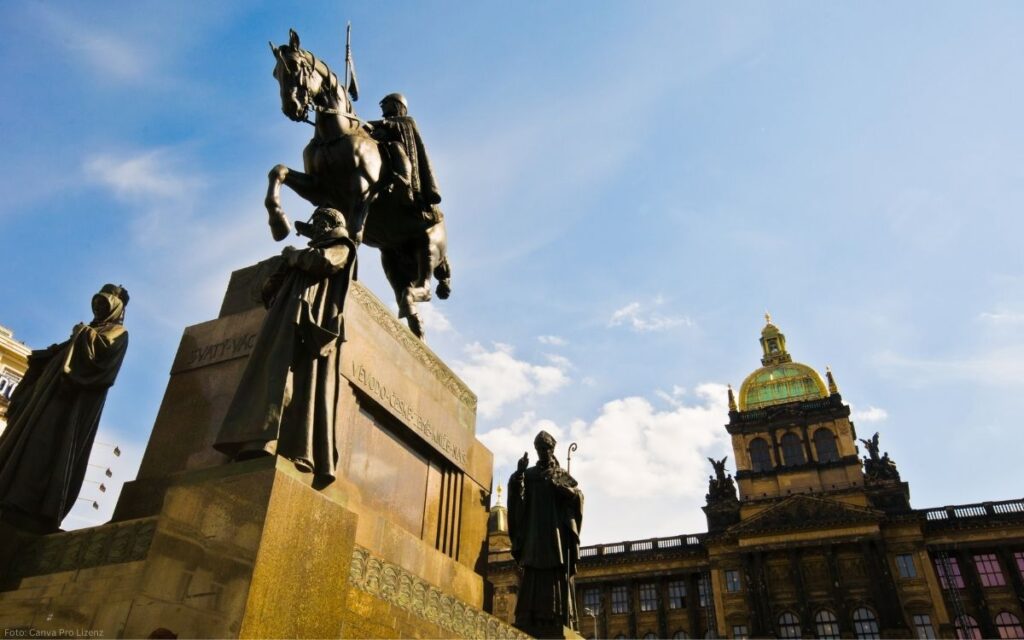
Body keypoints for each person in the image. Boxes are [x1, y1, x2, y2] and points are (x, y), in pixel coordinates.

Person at [214, 207, 357, 485]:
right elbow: (273, 289)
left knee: (290, 382)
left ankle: (285, 445)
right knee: (270, 378)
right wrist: (276, 277)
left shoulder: (341, 245)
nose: (312, 227)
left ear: (328, 223)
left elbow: (322, 263)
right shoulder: (308, 253)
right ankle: (257, 441)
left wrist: (292, 255)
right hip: (284, 319)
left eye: (316, 222)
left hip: (306, 325)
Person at [0, 284, 130, 532]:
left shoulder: (118, 333)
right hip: (45, 398)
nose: (99, 308)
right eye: (97, 304)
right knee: (25, 441)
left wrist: (82, 335)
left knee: (45, 446)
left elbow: (100, 361)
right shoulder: (92, 329)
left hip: (66, 404)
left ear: (117, 307)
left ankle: (27, 503)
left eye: (105, 304)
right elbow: (66, 353)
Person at [507, 431, 584, 637]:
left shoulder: (559, 474)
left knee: (553, 572)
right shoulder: (530, 475)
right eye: (539, 449)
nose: (542, 452)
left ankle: (556, 616)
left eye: (546, 448)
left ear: (552, 449)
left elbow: (577, 496)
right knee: (532, 571)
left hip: (554, 534)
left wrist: (564, 491)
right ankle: (529, 617)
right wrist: (518, 476)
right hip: (534, 533)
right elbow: (518, 497)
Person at [365, 93, 442, 213]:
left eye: (385, 102)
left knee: (395, 147)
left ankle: (405, 182)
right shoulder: (382, 123)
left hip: (399, 148)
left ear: (396, 105)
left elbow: (402, 128)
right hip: (383, 147)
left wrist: (384, 124)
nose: (382, 106)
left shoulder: (408, 121)